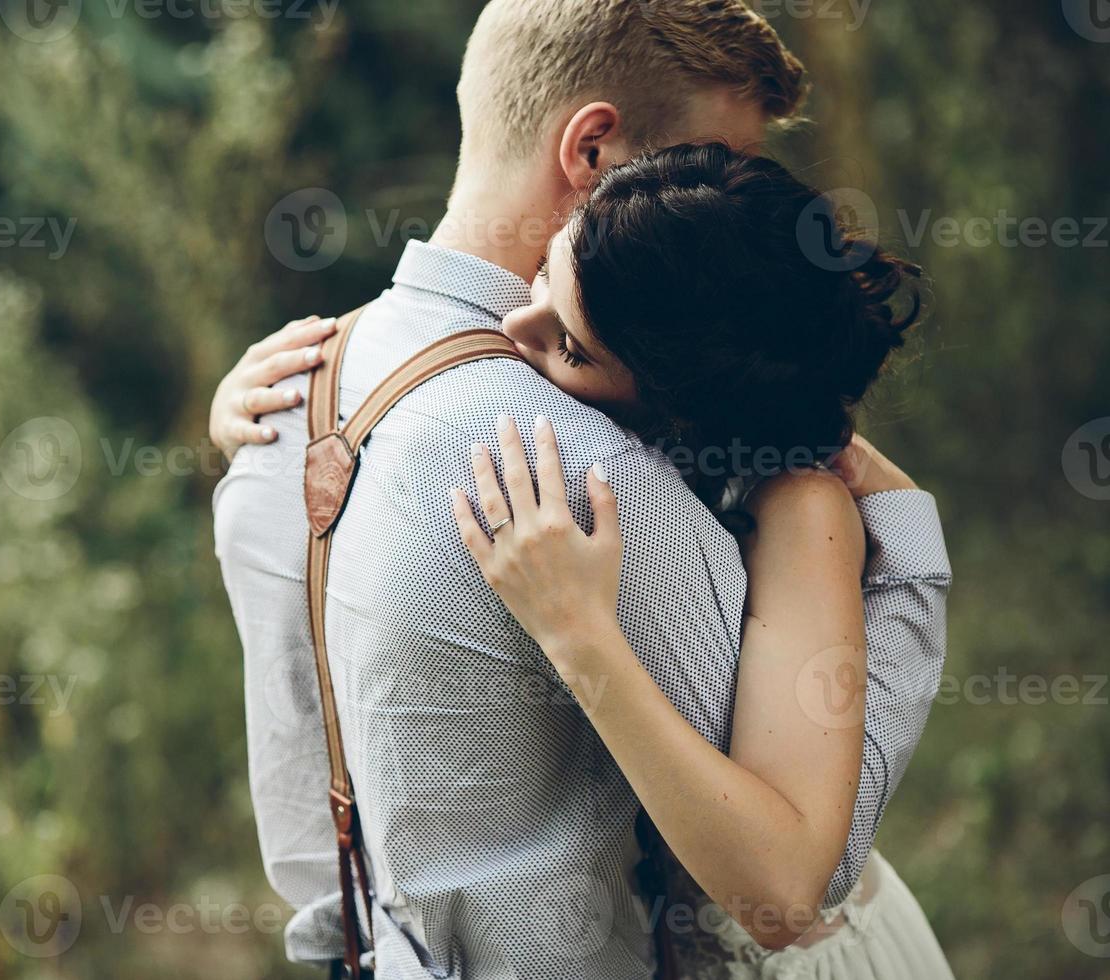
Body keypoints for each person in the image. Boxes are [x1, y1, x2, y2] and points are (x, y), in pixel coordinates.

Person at [212, 3, 949, 977]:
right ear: (594, 150)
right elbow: (805, 864)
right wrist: (912, 541)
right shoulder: (576, 474)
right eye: (709, 160)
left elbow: (788, 857)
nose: (721, 201)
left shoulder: (283, 406)